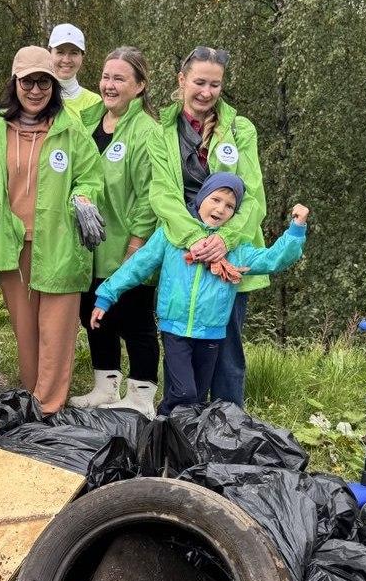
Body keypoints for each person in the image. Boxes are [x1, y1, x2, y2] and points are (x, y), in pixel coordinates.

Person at [94, 174, 308, 414]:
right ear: (201, 198)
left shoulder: (234, 248)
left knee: (197, 397)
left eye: (229, 206)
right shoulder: (172, 235)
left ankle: (179, 441)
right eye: (215, 199)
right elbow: (138, 265)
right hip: (175, 329)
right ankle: (163, 429)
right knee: (184, 392)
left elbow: (272, 260)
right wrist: (107, 294)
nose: (220, 209)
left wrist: (296, 230)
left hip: (211, 334)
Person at [0, 45, 102, 415]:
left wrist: (83, 199)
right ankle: (32, 401)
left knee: (57, 333)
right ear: (14, 83)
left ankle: (48, 408)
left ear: (54, 86)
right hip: (13, 245)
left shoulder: (71, 129)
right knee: (26, 333)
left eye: (44, 82)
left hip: (61, 243)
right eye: (28, 81)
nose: (35, 90)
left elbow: (90, 178)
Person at [149, 46, 267, 407]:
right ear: (182, 80)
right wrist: (199, 241)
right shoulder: (161, 130)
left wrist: (224, 241)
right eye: (199, 82)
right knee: (181, 350)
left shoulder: (240, 128)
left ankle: (229, 434)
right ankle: (180, 433)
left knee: (227, 351)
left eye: (215, 85)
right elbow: (163, 194)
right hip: (183, 254)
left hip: (229, 258)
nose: (206, 91)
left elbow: (254, 198)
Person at [71, 47, 161, 416]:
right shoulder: (89, 119)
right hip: (88, 244)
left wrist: (137, 245)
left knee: (134, 318)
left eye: (119, 78)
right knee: (92, 311)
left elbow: (149, 196)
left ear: (139, 86)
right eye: (106, 77)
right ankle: (105, 386)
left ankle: (141, 395)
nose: (109, 85)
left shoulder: (146, 131)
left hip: (127, 245)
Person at [48, 23, 101, 116]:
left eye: (74, 53)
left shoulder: (94, 103)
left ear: (82, 56)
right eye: (60, 52)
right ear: (49, 53)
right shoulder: (37, 99)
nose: (66, 60)